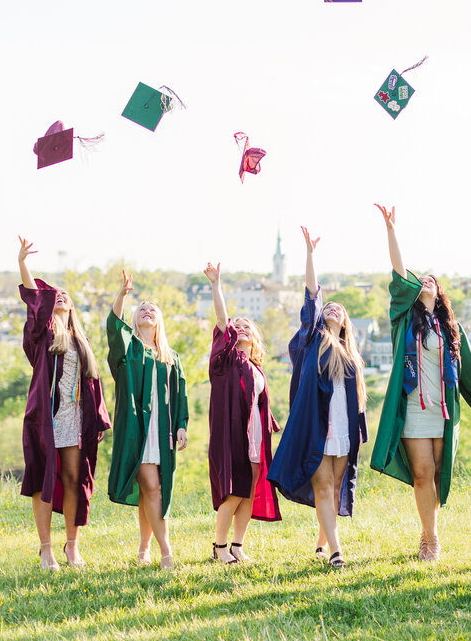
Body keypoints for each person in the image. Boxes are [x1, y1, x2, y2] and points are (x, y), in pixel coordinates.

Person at [370, 204, 471, 561]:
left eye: (432, 280)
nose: (425, 281)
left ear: (440, 291)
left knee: (435, 474)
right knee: (421, 473)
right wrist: (391, 229)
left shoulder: (450, 328)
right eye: (421, 280)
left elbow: (467, 367)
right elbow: (399, 273)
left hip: (442, 409)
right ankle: (430, 541)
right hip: (413, 408)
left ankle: (428, 531)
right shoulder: (403, 320)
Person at [267, 228, 368, 568]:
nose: (333, 309)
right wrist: (310, 254)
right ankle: (337, 552)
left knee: (336, 486)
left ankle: (322, 543)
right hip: (317, 426)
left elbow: (357, 398)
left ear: (347, 321)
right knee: (324, 486)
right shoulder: (313, 339)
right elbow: (312, 295)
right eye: (330, 307)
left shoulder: (353, 355)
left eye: (339, 309)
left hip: (343, 426)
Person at [17, 236, 111, 571]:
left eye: (66, 296)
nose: (62, 296)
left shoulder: (81, 340)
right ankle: (46, 551)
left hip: (75, 417)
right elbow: (34, 300)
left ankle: (72, 548)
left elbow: (93, 382)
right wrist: (23, 264)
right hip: (46, 418)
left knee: (73, 478)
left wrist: (97, 417)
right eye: (56, 295)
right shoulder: (42, 334)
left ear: (72, 307)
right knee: (43, 479)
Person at [107, 270, 190, 569]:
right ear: (135, 318)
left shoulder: (171, 357)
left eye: (152, 309)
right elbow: (113, 328)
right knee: (153, 487)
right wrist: (122, 295)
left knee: (151, 489)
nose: (146, 310)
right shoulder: (128, 351)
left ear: (159, 321)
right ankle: (166, 551)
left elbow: (180, 393)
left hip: (162, 430)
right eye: (141, 308)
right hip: (137, 431)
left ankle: (144, 549)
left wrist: (182, 424)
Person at [204, 261, 281, 564]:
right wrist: (216, 285)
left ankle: (237, 545)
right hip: (232, 434)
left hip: (255, 437)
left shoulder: (256, 368)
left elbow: (261, 403)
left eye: (248, 326)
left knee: (248, 491)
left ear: (256, 338)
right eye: (239, 326)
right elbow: (224, 323)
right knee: (234, 491)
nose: (242, 328)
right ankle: (219, 547)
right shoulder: (228, 360)